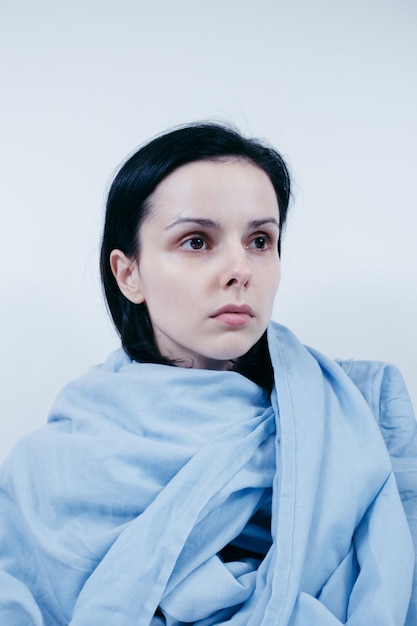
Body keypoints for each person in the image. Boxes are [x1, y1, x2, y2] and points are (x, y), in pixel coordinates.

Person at [0, 122, 416, 626]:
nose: (240, 269)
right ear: (129, 273)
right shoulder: (47, 471)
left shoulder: (362, 414)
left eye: (261, 240)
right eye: (197, 242)